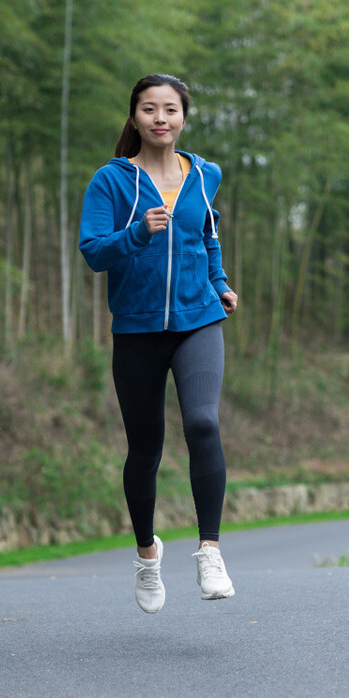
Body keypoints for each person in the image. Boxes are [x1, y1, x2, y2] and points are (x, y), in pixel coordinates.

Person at [79, 74, 237, 614]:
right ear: (135, 118)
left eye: (170, 109)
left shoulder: (206, 174)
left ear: (184, 118)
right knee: (145, 449)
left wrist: (219, 283)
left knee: (203, 422)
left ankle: (209, 551)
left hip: (198, 320)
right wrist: (138, 233)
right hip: (138, 328)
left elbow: (207, 235)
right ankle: (148, 556)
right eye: (149, 109)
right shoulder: (111, 181)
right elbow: (95, 252)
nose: (160, 118)